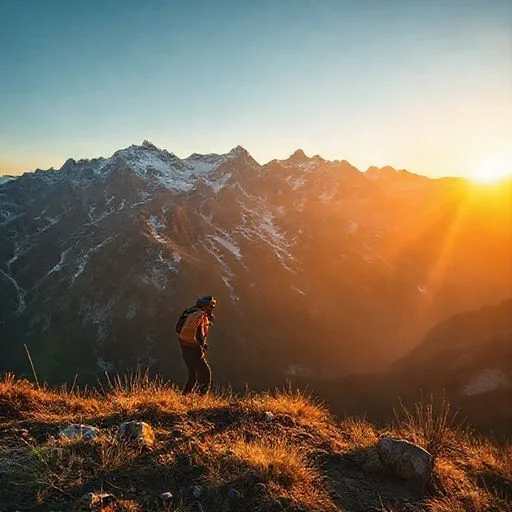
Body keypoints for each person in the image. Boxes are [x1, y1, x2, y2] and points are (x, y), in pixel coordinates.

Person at [175, 295, 216, 394]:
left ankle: (185, 397)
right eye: (211, 307)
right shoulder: (200, 316)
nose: (212, 309)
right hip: (195, 349)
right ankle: (201, 398)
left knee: (192, 375)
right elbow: (199, 335)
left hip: (184, 346)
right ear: (206, 306)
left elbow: (177, 329)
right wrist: (202, 345)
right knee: (206, 374)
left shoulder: (189, 312)